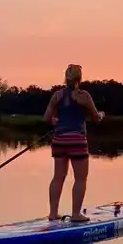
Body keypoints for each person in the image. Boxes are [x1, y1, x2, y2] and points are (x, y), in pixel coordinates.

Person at [43, 64, 104, 222]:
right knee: (80, 178)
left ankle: (53, 213)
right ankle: (76, 214)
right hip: (77, 140)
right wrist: (101, 115)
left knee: (58, 177)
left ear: (66, 77)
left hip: (59, 139)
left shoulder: (57, 95)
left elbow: (46, 119)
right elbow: (96, 118)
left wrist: (55, 120)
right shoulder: (84, 96)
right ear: (80, 78)